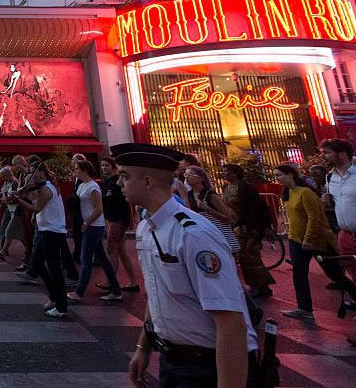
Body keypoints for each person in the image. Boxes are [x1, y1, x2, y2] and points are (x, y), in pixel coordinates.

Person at [117, 143, 257, 387]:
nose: (120, 184)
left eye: (125, 177)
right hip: (173, 360)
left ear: (148, 181)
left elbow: (231, 323)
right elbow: (156, 293)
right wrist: (143, 347)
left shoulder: (193, 234)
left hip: (210, 364)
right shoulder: (146, 228)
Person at [275, 163, 356, 322]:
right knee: (299, 274)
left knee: (335, 274)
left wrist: (308, 238)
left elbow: (314, 217)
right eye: (276, 175)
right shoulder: (288, 193)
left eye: (279, 175)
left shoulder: (306, 193)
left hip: (316, 239)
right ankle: (304, 308)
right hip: (296, 240)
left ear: (290, 175)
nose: (277, 179)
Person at [322, 137, 356, 348]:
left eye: (327, 153)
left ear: (342, 154)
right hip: (347, 236)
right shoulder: (329, 179)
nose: (323, 156)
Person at [14, 163, 70, 318]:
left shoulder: (46, 189)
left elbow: (37, 208)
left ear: (41, 172)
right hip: (47, 230)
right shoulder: (46, 186)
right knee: (37, 264)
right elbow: (31, 196)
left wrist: (20, 200)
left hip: (52, 231)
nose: (32, 175)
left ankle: (61, 306)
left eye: (33, 172)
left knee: (54, 269)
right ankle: (53, 296)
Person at [68, 159, 123, 304]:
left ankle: (79, 292)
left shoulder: (93, 187)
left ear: (84, 170)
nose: (75, 172)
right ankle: (116, 290)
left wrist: (87, 223)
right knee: (103, 260)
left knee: (85, 258)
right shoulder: (82, 186)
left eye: (77, 169)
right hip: (88, 225)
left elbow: (99, 208)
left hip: (94, 227)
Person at [222, 163, 276, 298]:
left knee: (252, 255)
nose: (224, 174)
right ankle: (253, 284)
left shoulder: (246, 188)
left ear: (234, 173)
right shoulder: (226, 188)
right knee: (243, 256)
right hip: (237, 226)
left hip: (250, 226)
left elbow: (259, 208)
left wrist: (265, 227)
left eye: (227, 172)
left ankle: (262, 285)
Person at [99, 156, 139, 291]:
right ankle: (133, 281)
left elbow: (109, 199)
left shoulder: (116, 182)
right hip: (112, 218)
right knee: (121, 251)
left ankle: (111, 281)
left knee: (112, 249)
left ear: (113, 167)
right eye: (102, 165)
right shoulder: (106, 181)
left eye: (107, 165)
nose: (104, 168)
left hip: (118, 218)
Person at [184, 165, 241, 257]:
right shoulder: (189, 195)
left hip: (219, 234)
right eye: (185, 174)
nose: (186, 177)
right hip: (204, 235)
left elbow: (228, 218)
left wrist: (208, 209)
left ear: (201, 178)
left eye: (190, 174)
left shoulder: (210, 195)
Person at [0, 165, 20, 260]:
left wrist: (4, 200)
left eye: (3, 176)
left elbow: (13, 196)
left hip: (13, 210)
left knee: (10, 231)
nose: (2, 178)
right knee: (5, 229)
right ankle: (3, 250)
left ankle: (3, 251)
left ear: (8, 175)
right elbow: (5, 192)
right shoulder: (7, 182)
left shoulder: (15, 183)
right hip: (7, 209)